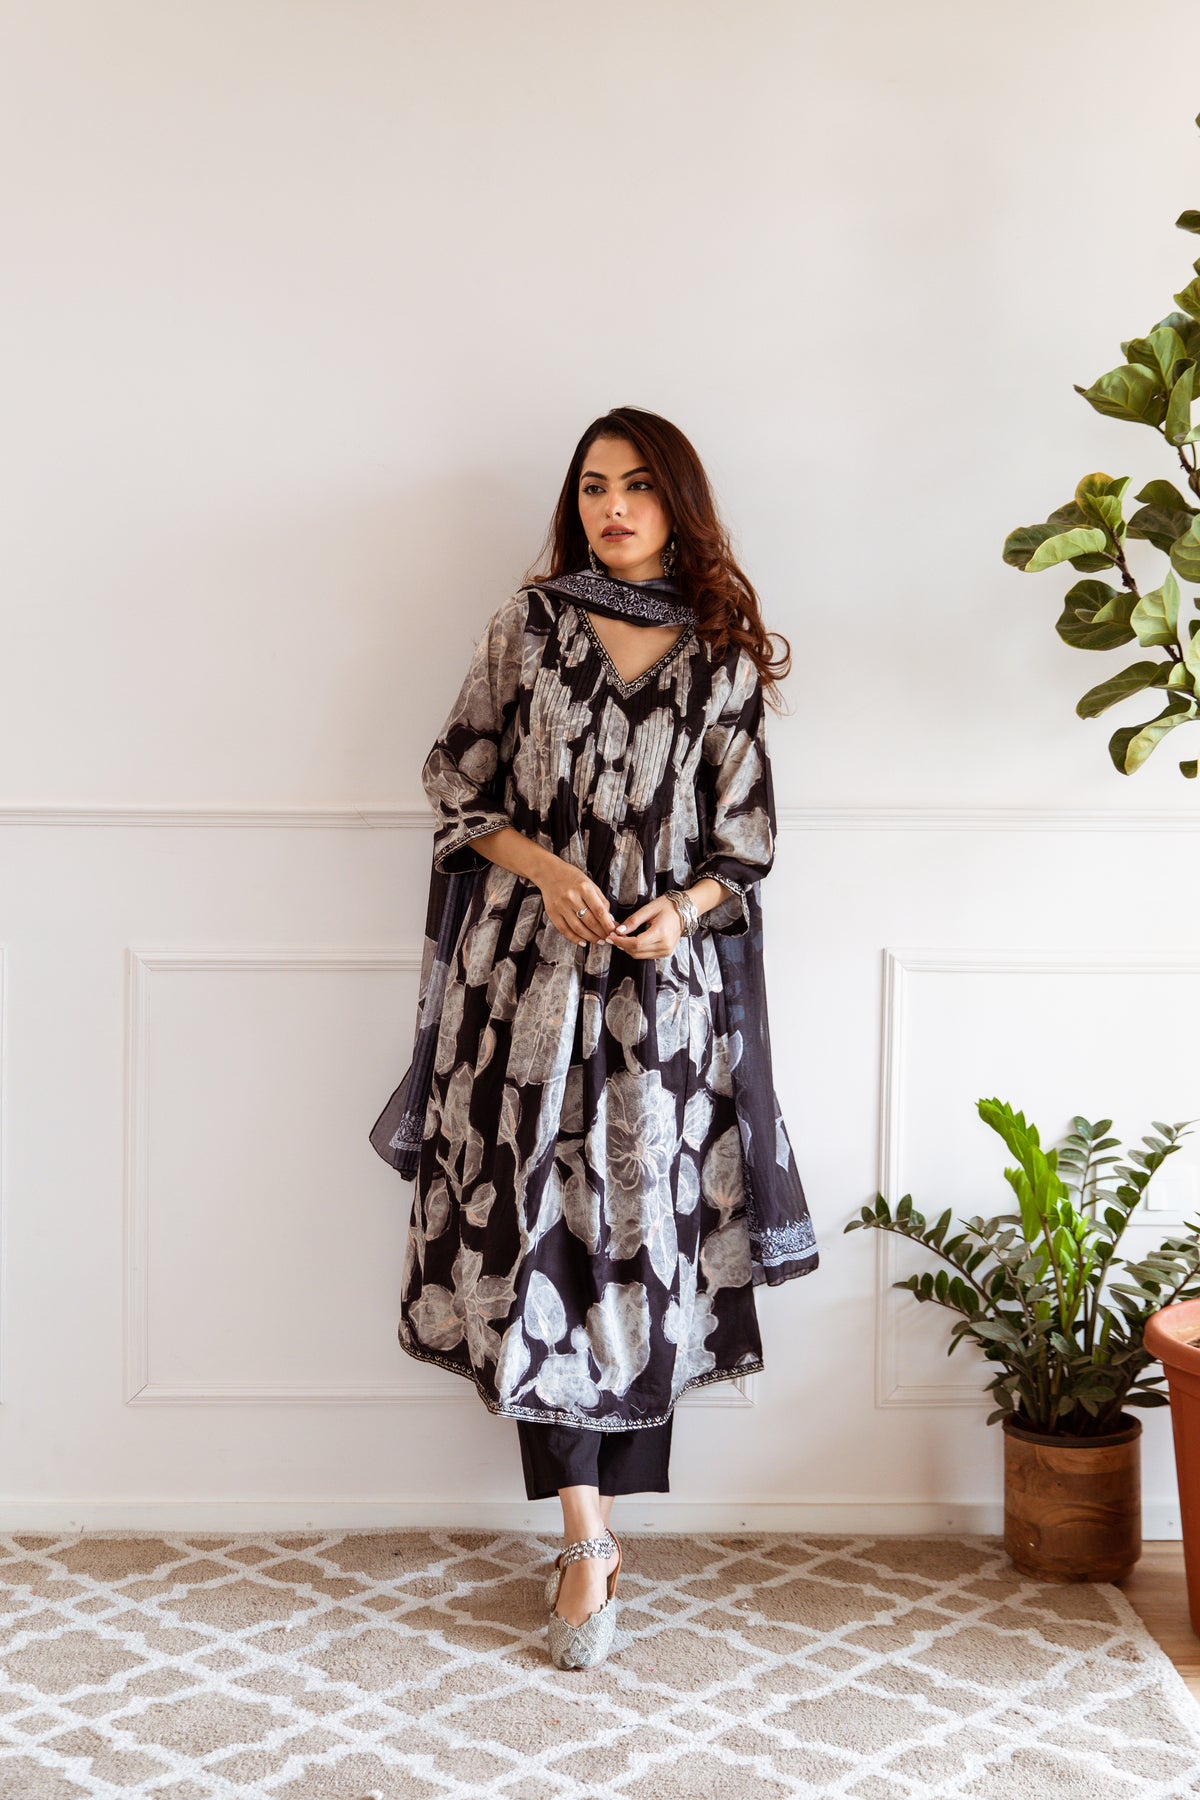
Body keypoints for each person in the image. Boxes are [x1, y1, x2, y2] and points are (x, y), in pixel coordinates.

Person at [369, 406, 818, 1670]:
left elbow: (747, 843)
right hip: (525, 993)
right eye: (591, 487)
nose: (611, 507)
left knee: (640, 1253)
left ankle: (605, 1524)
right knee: (540, 1251)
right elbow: (458, 784)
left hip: (662, 1007)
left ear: (678, 503)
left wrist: (682, 907)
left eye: (636, 486)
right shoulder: (527, 628)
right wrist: (546, 869)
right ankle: (583, 1539)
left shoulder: (721, 655)